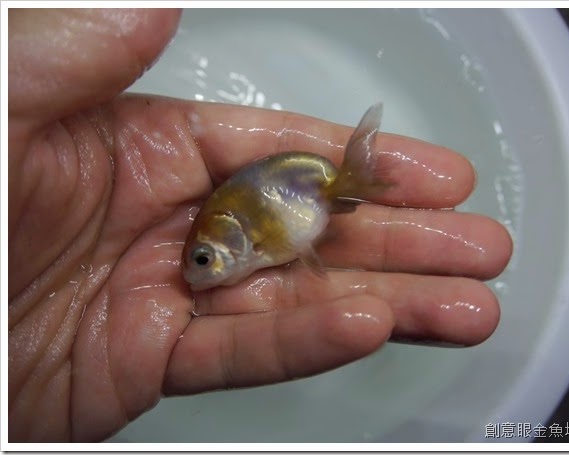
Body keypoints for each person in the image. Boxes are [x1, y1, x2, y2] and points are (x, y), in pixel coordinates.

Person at [8, 9, 512, 442]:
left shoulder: (260, 232)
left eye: (203, 258)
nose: (200, 271)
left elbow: (289, 231)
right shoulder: (250, 239)